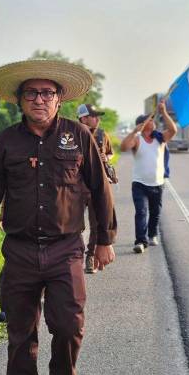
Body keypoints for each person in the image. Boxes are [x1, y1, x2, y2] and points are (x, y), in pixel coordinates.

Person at [0, 59, 116, 375]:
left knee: (68, 325)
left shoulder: (78, 136)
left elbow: (101, 189)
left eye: (47, 93)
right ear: (19, 100)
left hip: (66, 248)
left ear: (59, 99)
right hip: (18, 251)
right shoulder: (6, 141)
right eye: (31, 93)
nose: (39, 99)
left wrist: (104, 240)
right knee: (20, 333)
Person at [120, 99, 177, 253]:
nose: (152, 122)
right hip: (140, 184)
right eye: (149, 120)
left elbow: (173, 130)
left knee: (155, 212)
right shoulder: (137, 140)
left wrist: (163, 112)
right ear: (142, 125)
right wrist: (133, 131)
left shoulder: (160, 138)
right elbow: (124, 147)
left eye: (152, 120)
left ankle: (152, 234)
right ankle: (140, 241)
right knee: (141, 212)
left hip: (157, 183)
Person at [76, 103, 115, 274]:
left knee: (96, 222)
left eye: (98, 116)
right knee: (73, 225)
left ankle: (90, 256)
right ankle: (71, 258)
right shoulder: (72, 134)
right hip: (75, 188)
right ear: (83, 118)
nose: (97, 119)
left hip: (95, 187)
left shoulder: (101, 135)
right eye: (94, 116)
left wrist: (103, 159)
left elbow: (109, 153)